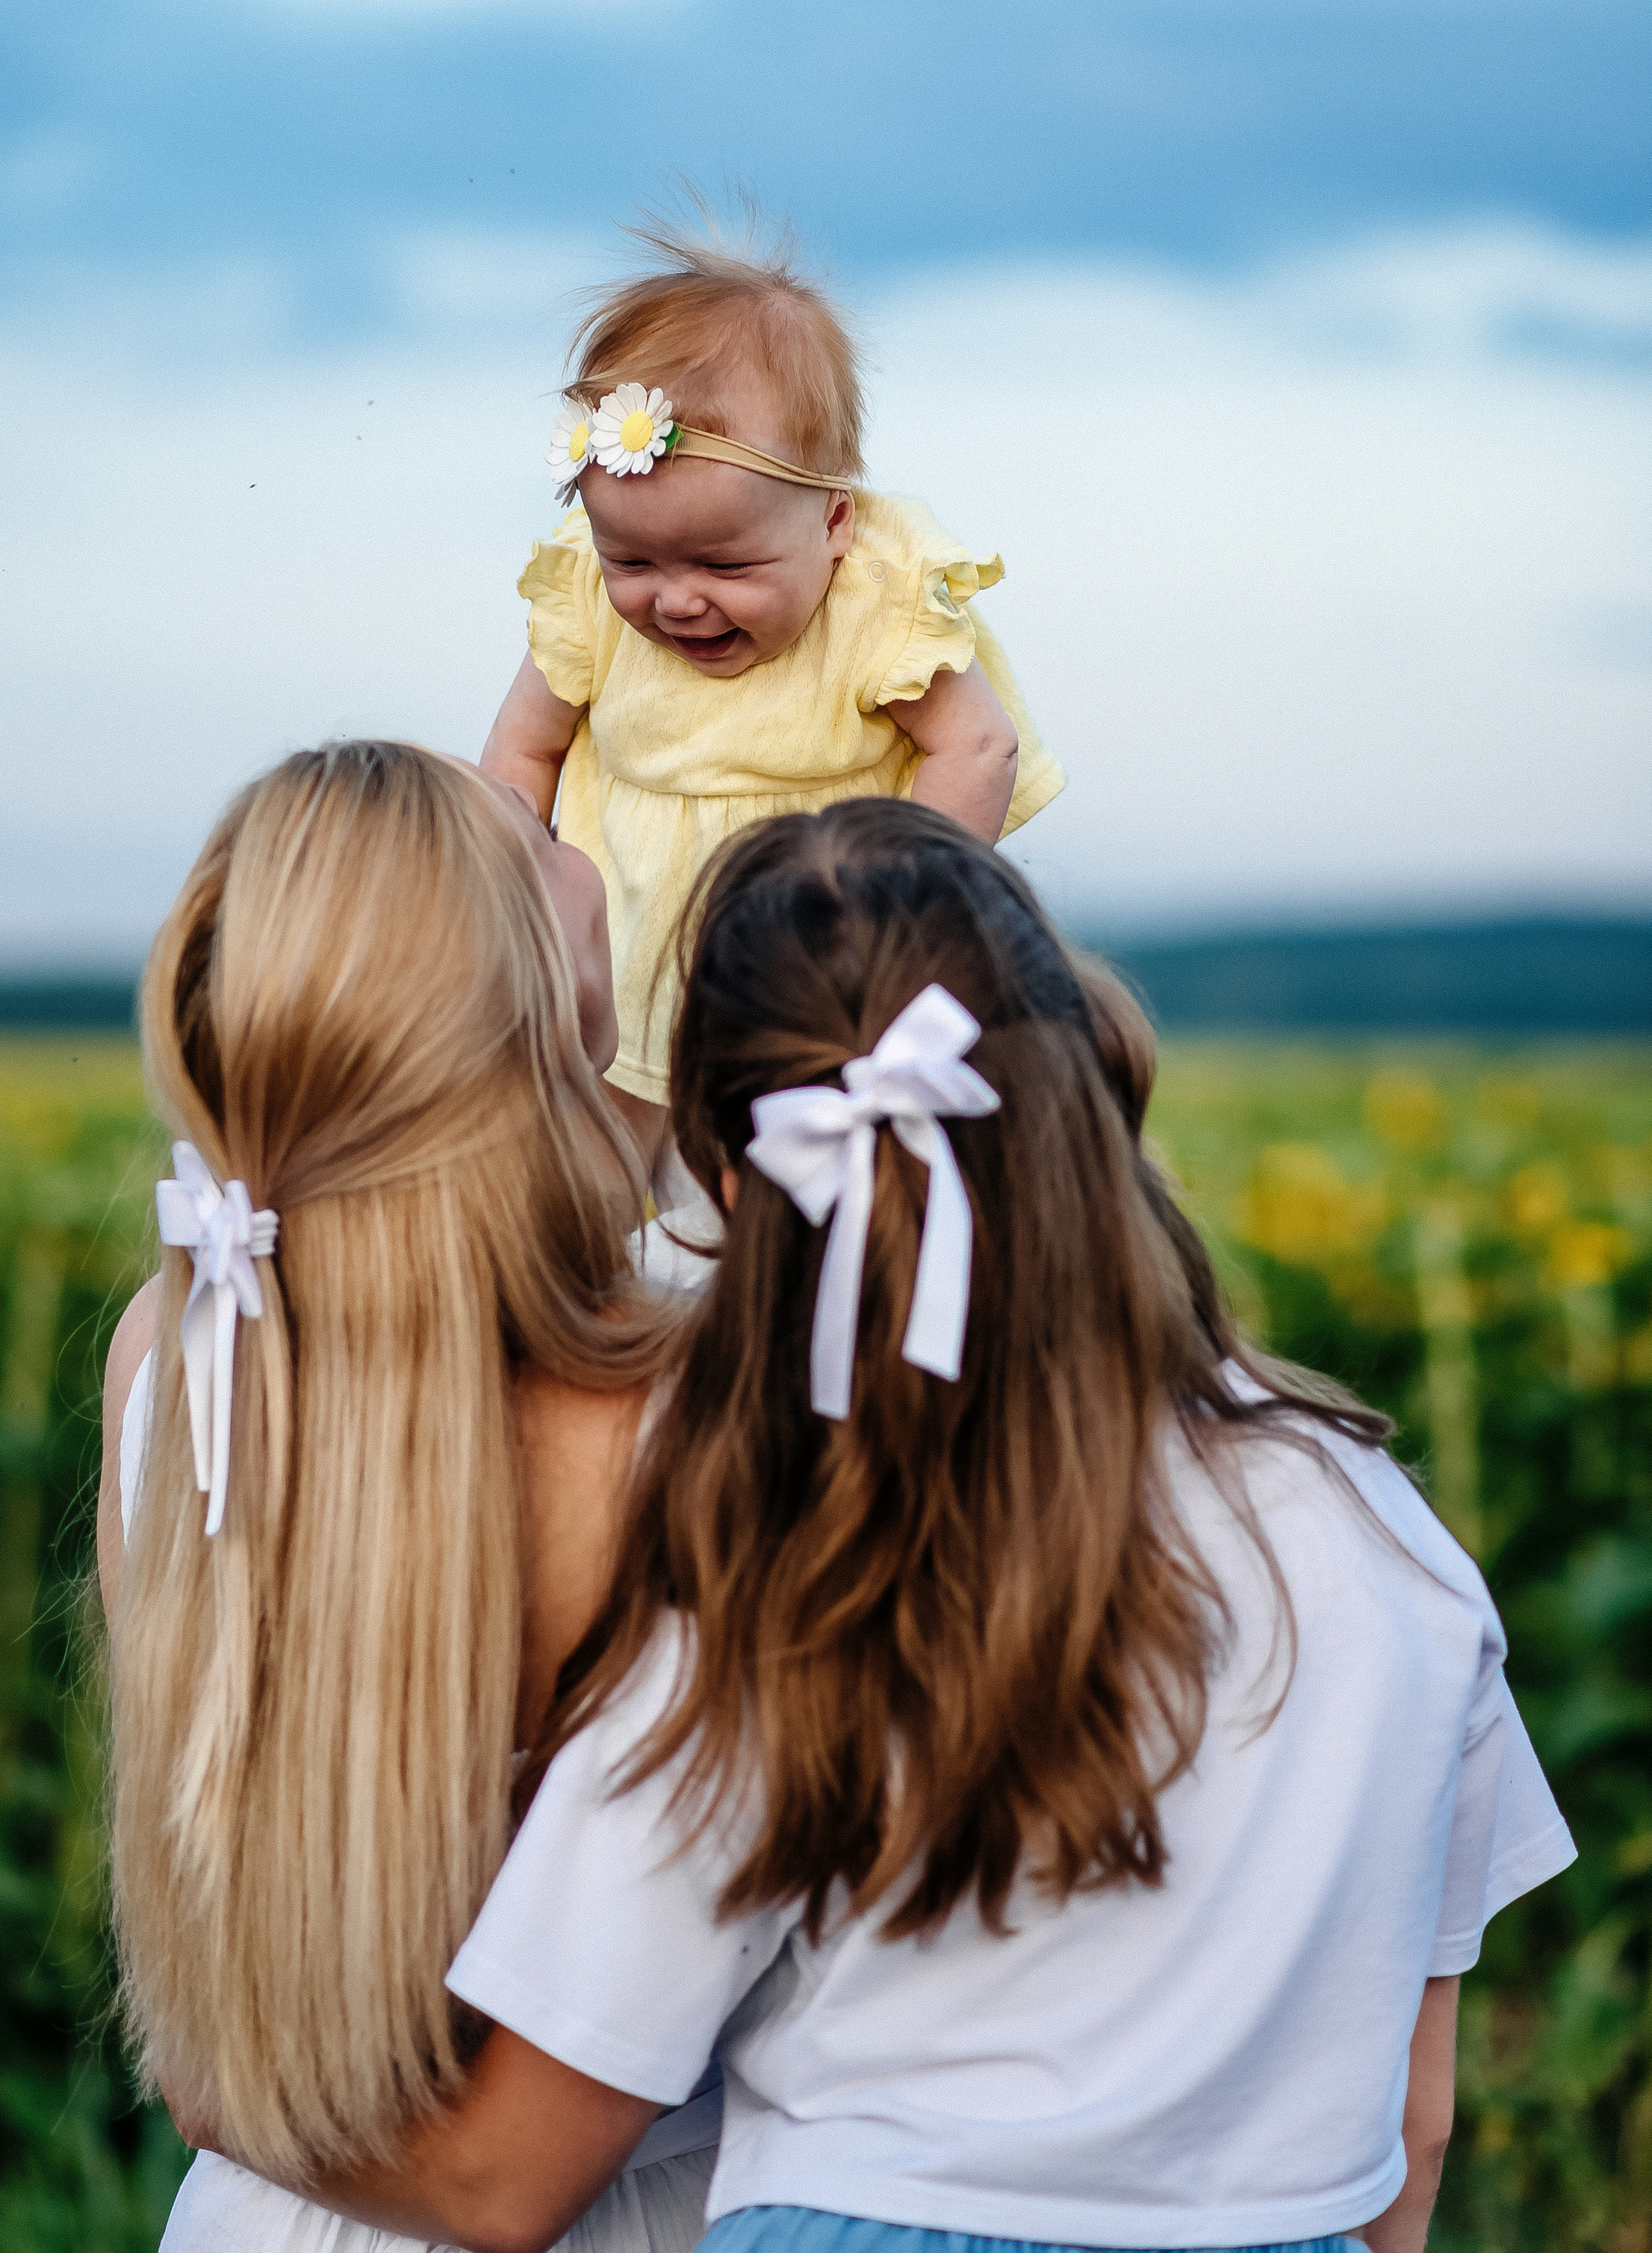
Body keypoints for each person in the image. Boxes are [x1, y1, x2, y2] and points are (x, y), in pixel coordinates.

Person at [181, 801, 1575, 2253]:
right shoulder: (1389, 1540)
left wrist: (225, 2101)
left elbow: (501, 2176)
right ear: (1088, 1105)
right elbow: (1408, 2131)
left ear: (736, 1188)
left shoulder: (790, 1569)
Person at [96, 740, 721, 2253]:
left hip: (266, 2202)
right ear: (533, 999)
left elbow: (200, 2059)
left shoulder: (183, 1348)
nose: (537, 793)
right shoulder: (676, 1414)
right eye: (517, 829)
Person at [479, 225, 1064, 1176]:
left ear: (834, 521)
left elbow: (975, 748)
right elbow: (523, 749)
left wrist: (899, 926)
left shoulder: (877, 601)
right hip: (623, 972)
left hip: (818, 976)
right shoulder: (586, 597)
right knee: (596, 1178)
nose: (675, 599)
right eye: (633, 561)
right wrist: (506, 895)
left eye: (724, 566)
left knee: (805, 1186)